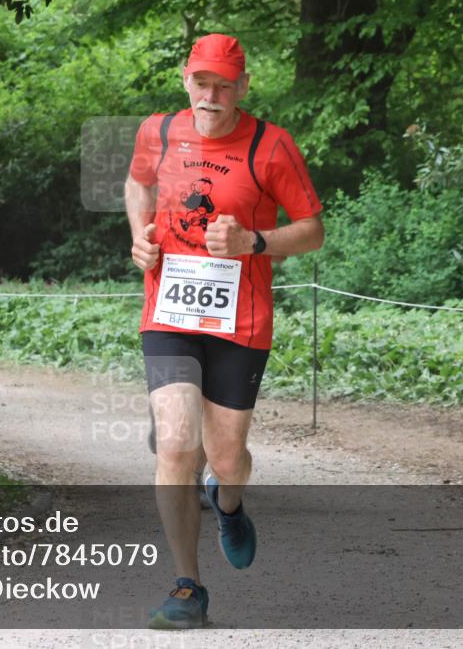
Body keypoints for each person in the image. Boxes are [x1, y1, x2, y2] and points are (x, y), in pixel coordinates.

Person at [125, 33, 324, 629]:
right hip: (169, 314)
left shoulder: (271, 145)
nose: (211, 95)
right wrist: (139, 233)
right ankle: (188, 587)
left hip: (240, 320)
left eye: (224, 85)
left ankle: (229, 504)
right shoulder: (157, 131)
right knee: (178, 445)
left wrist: (253, 243)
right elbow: (139, 182)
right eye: (201, 81)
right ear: (186, 79)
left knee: (228, 458)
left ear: (242, 86)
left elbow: (312, 229)